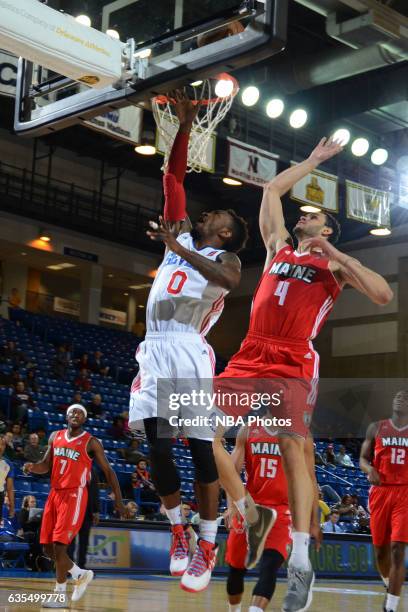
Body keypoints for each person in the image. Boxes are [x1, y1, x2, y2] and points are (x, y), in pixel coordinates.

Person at [211, 136, 393, 612]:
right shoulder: (277, 249)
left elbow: (382, 297)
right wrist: (312, 162)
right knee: (197, 426)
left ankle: (299, 554)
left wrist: (342, 258)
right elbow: (271, 191)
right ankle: (248, 513)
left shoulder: (334, 267)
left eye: (312, 215)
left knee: (293, 443)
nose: (303, 217)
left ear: (328, 229)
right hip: (251, 351)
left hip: (293, 358)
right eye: (304, 214)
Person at [128, 91, 248, 593]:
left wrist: (177, 247)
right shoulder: (181, 235)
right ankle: (178, 530)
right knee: (156, 448)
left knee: (200, 452)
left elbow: (230, 282)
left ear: (223, 233)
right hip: (155, 347)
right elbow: (172, 178)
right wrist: (184, 123)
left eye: (213, 217)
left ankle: (207, 539)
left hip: (188, 350)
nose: (205, 214)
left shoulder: (229, 262)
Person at [23, 404, 129, 608]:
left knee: (60, 547)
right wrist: (32, 467)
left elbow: (108, 472)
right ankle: (80, 574)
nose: (75, 414)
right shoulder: (55, 436)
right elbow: (46, 465)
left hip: (74, 495)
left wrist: (118, 501)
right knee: (46, 548)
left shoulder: (91, 442)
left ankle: (60, 595)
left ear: (84, 419)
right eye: (72, 411)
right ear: (66, 416)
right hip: (54, 494)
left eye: (80, 412)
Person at [224, 424, 301, 612]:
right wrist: (231, 507)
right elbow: (231, 472)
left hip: (281, 510)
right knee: (236, 570)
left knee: (270, 564)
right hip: (250, 505)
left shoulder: (297, 436)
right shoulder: (248, 431)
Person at [360, 390, 408, 612]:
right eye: (398, 395)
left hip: (405, 492)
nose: (400, 398)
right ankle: (390, 584)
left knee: (398, 548)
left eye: (406, 397)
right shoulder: (376, 427)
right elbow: (362, 458)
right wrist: (369, 468)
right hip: (380, 492)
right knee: (381, 551)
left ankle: (390, 607)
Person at [67, 468, 100, 568]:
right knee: (70, 541)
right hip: (73, 510)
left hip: (87, 512)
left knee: (84, 542)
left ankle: (82, 567)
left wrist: (96, 511)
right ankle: (70, 568)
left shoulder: (93, 471)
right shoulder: (73, 467)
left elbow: (95, 492)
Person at [0, 436, 15, 521]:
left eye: (2, 445)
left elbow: (10, 488)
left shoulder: (8, 464)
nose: (0, 447)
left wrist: (12, 507)